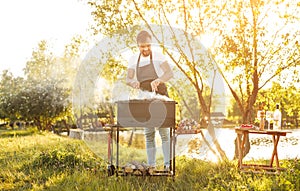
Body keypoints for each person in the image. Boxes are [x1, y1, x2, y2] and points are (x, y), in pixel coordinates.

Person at [126, 30, 173, 170]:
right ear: (137, 46)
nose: (146, 49)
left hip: (160, 96)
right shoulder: (133, 59)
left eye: (148, 45)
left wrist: (159, 80)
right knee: (148, 133)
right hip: (145, 98)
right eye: (142, 46)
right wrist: (132, 83)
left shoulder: (158, 56)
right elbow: (128, 78)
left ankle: (167, 165)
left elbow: (169, 73)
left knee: (164, 132)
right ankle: (151, 165)